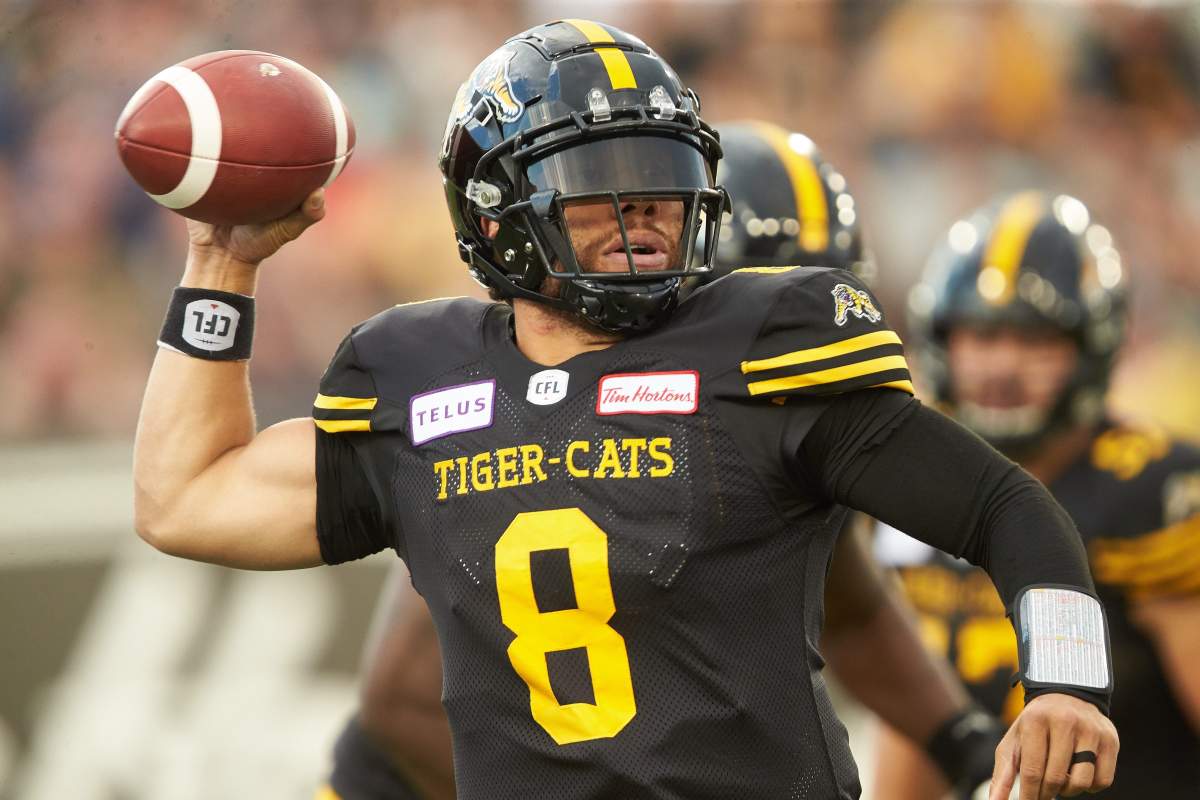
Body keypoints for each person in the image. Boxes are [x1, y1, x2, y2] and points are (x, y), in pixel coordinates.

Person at [133, 20, 1117, 800]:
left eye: (660, 177)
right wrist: (221, 264)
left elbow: (1006, 508)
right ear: (495, 209)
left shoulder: (764, 342)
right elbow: (187, 498)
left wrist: (1067, 682)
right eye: (599, 181)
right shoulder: (416, 377)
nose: (642, 208)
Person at [315, 120, 1003, 800]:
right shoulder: (542, 427)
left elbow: (851, 607)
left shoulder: (771, 424)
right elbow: (403, 705)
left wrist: (967, 747)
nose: (790, 336)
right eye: (756, 302)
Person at [874, 191, 1200, 798]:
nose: (1002, 366)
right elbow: (915, 727)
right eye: (981, 336)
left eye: (1034, 340)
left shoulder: (1152, 495)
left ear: (1092, 346)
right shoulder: (913, 486)